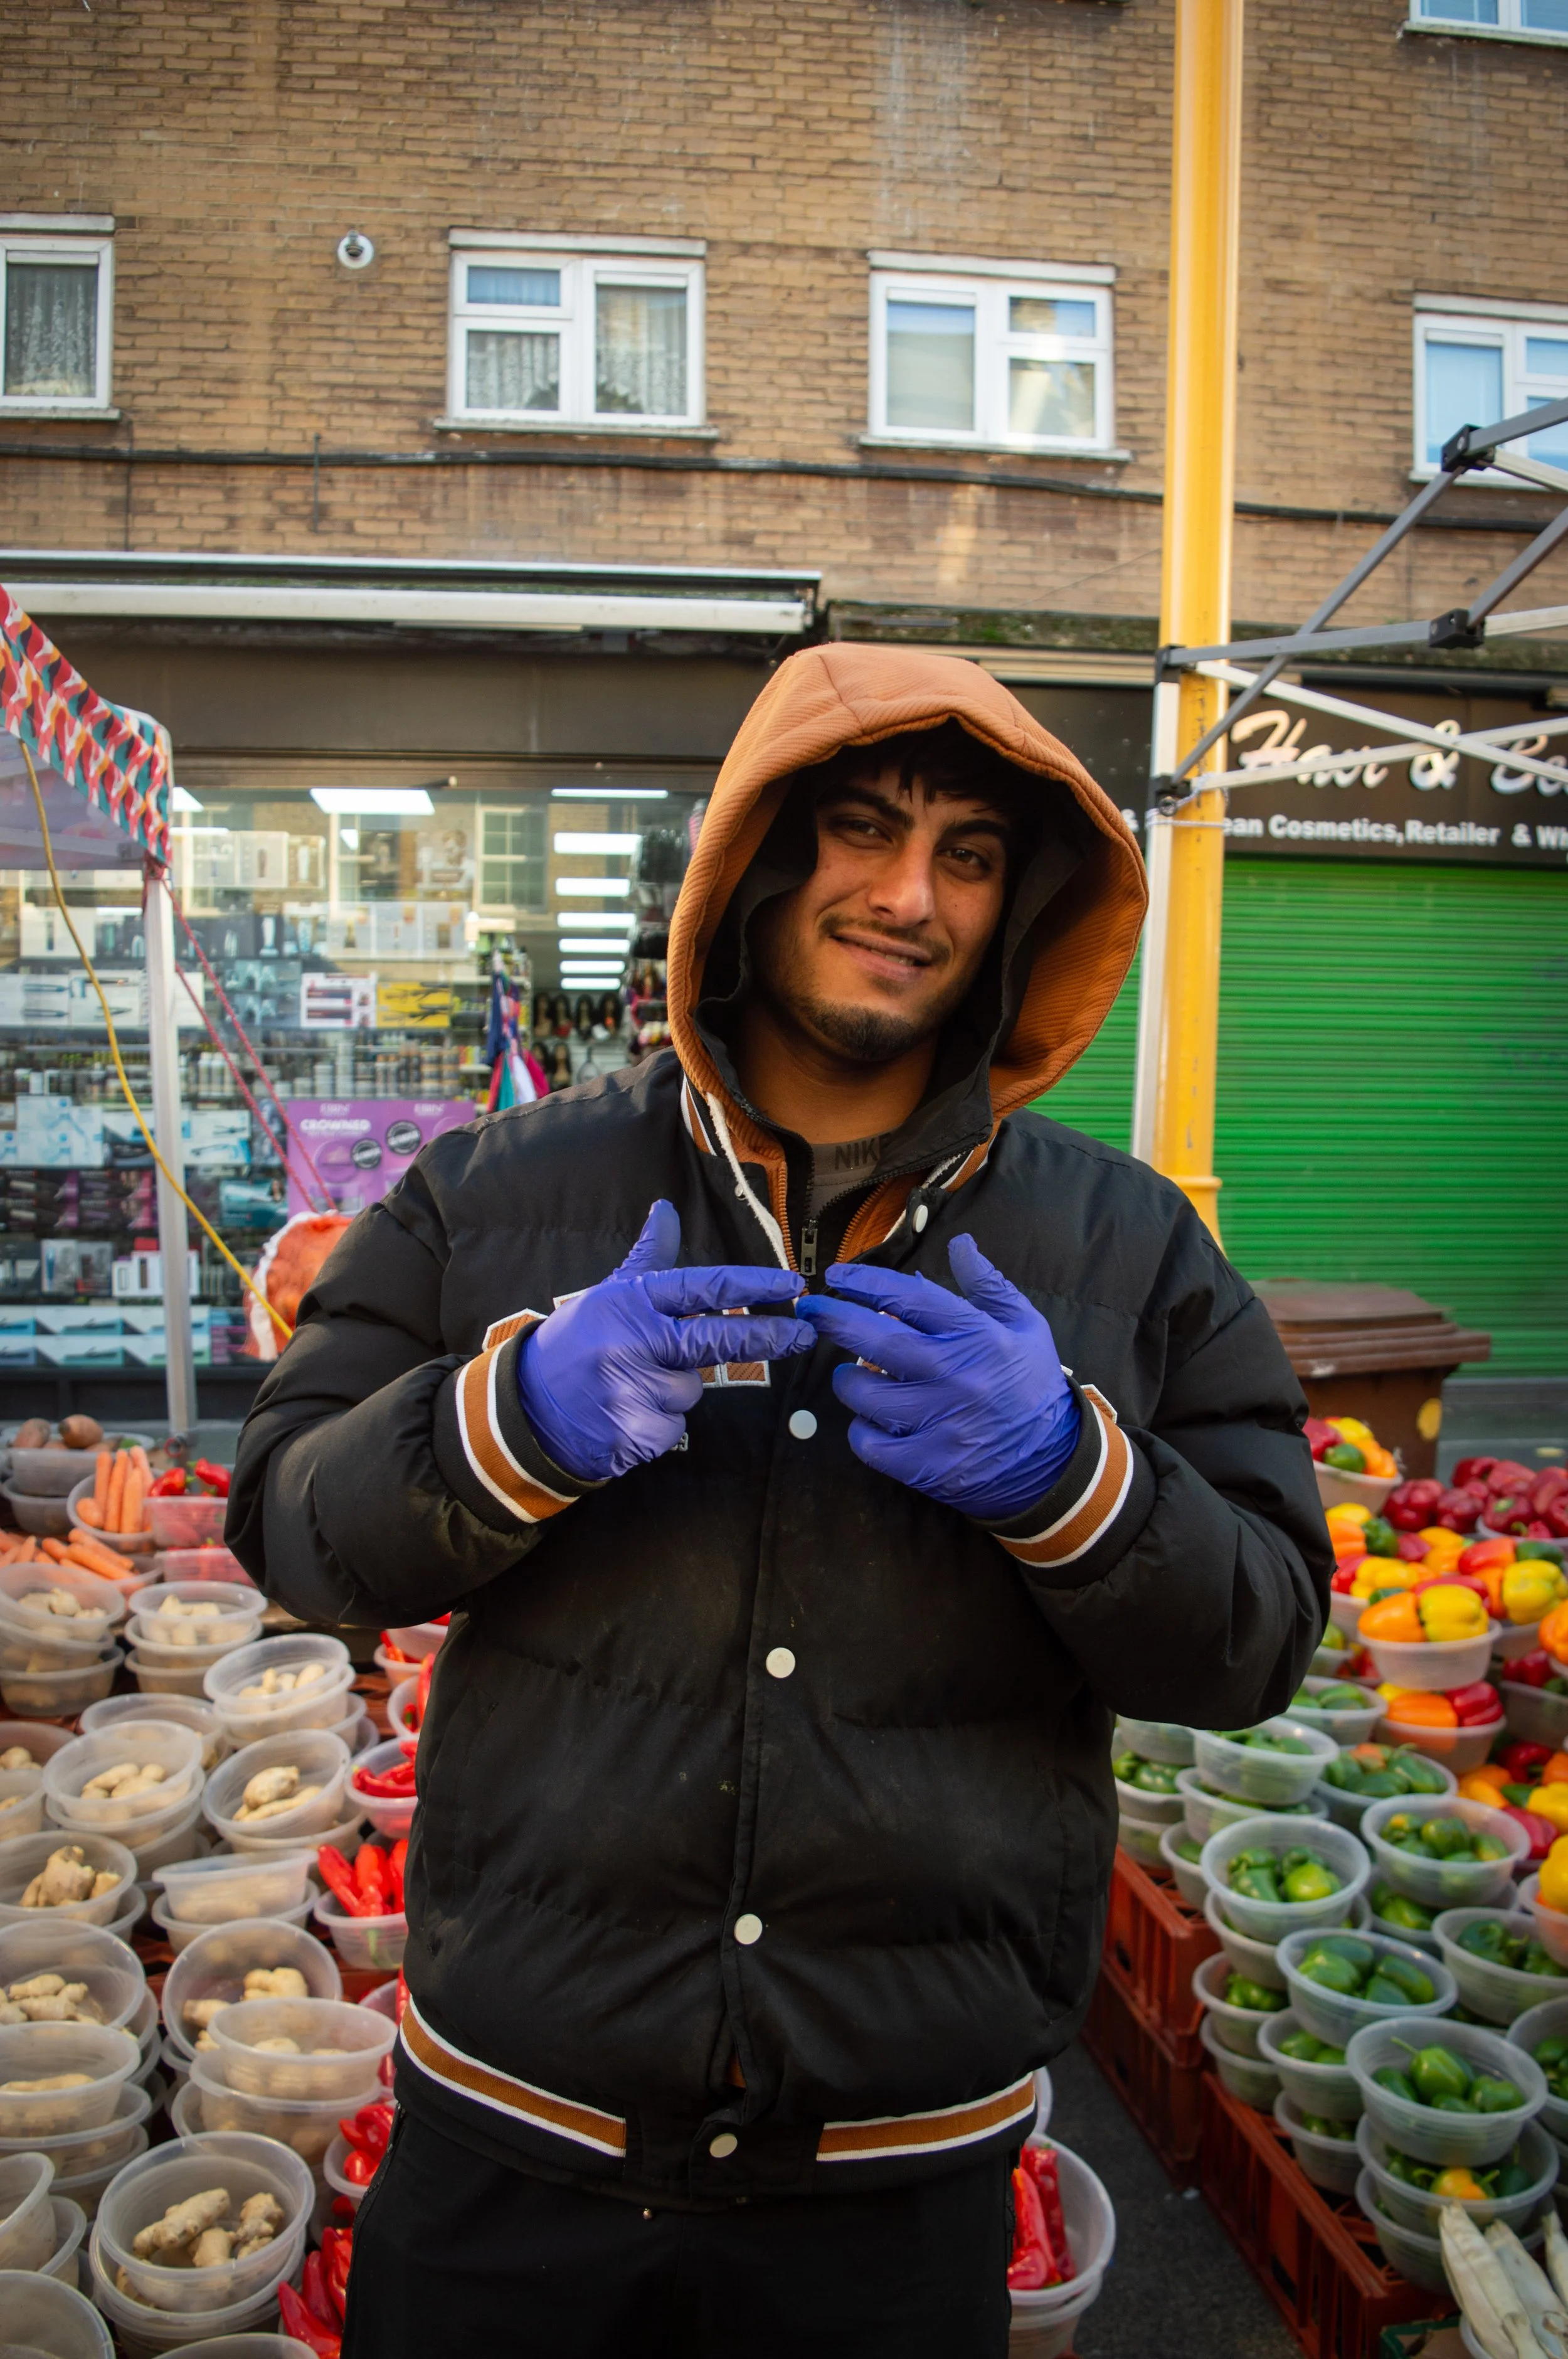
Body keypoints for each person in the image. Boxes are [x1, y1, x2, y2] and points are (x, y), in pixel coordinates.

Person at [228, 644, 1330, 2358]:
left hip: (898, 2190)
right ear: (753, 864)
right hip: (512, 2142)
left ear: (1017, 908)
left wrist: (1072, 1481)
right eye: (858, 830)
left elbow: (1259, 1638)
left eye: (967, 855)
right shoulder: (494, 1190)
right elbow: (292, 1527)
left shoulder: (1127, 1249)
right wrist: (509, 1418)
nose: (908, 895)